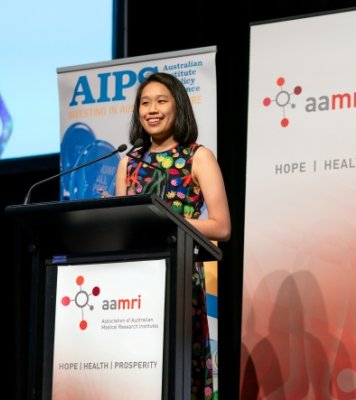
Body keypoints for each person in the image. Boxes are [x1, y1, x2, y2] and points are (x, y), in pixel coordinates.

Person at [115, 71, 231, 399]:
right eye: (145, 103)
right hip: (133, 285)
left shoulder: (198, 156)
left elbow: (221, 226)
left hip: (180, 279)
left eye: (161, 101)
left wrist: (168, 219)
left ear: (177, 107)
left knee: (177, 375)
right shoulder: (130, 162)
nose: (152, 109)